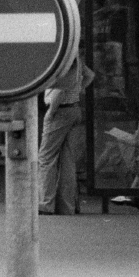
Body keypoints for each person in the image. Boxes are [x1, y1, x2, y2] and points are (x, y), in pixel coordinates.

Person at [40, 55, 91, 215]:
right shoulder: (76, 59)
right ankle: (67, 206)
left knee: (46, 158)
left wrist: (51, 112)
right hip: (73, 109)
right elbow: (90, 75)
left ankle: (45, 204)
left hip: (60, 111)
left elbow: (60, 90)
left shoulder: (62, 59)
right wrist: (79, 89)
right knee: (67, 160)